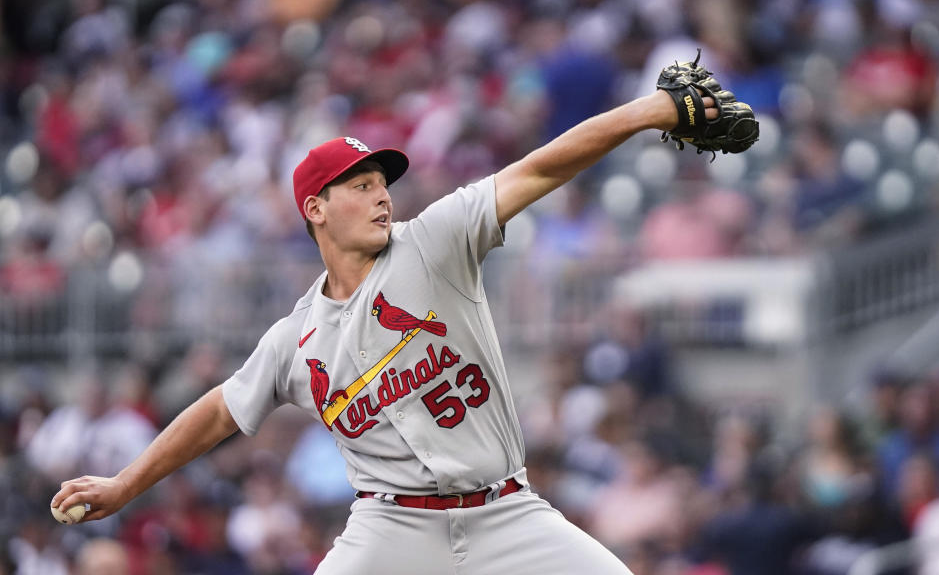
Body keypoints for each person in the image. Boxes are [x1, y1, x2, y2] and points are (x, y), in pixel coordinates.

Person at [51, 88, 718, 573]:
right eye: (361, 185)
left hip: (506, 512)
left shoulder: (434, 241)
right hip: (391, 527)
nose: (381, 195)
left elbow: (539, 168)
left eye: (381, 182)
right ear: (315, 209)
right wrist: (124, 486)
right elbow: (220, 410)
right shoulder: (298, 337)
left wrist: (649, 112)